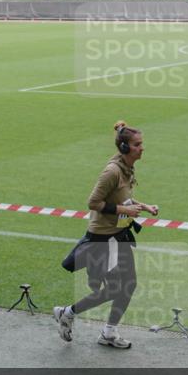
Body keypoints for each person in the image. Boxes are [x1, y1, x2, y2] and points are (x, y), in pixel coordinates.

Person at [53, 121, 158, 349]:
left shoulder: (127, 167)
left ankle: (108, 332)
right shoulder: (112, 171)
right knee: (114, 289)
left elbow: (121, 198)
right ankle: (67, 313)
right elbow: (93, 202)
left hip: (119, 235)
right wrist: (124, 210)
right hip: (102, 239)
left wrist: (143, 206)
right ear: (124, 148)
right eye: (138, 145)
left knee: (128, 285)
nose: (142, 148)